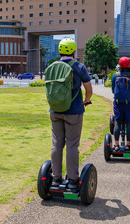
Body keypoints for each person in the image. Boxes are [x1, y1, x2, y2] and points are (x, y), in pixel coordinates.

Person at [48, 38, 92, 189]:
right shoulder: (79, 67)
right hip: (73, 112)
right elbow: (89, 89)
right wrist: (86, 100)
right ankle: (73, 180)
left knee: (57, 144)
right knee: (72, 145)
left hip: (55, 110)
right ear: (73, 51)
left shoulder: (52, 66)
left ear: (60, 51)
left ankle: (55, 178)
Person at [111, 57, 130, 151]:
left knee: (117, 122)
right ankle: (127, 144)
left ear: (119, 65)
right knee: (129, 122)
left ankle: (116, 145)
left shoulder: (115, 75)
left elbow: (112, 89)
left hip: (118, 102)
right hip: (129, 101)